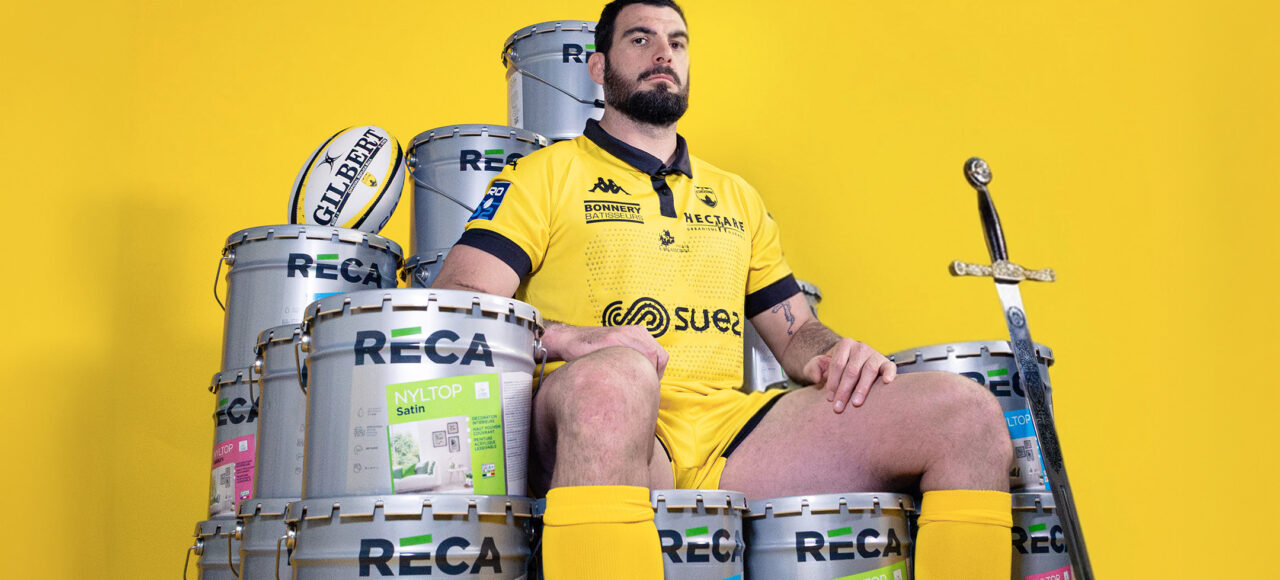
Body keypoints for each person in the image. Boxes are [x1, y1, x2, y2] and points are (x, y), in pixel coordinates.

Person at [433, 1, 1014, 577]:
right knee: (616, 380)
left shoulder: (737, 196)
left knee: (968, 414)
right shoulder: (544, 174)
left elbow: (798, 335)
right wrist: (570, 339)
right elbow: (460, 297)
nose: (663, 53)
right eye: (640, 39)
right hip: (593, 415)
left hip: (729, 433)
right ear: (598, 66)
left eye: (677, 42)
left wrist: (837, 354)